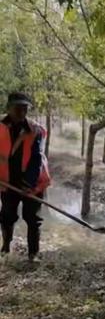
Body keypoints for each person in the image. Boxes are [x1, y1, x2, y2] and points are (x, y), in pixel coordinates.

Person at [0, 92, 51, 262]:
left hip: (33, 181)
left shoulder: (35, 130)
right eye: (18, 108)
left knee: (32, 218)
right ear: (9, 108)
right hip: (8, 182)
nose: (21, 112)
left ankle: (33, 254)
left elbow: (36, 158)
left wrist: (28, 184)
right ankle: (6, 246)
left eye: (25, 109)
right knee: (7, 216)